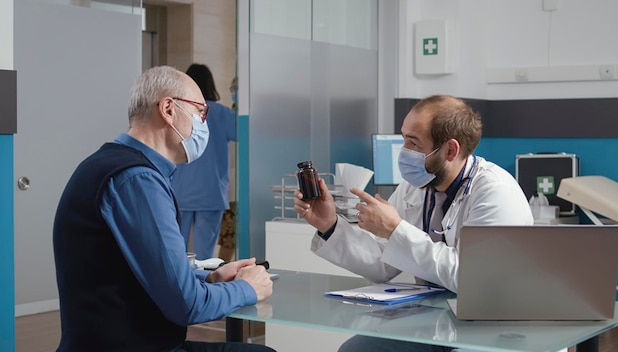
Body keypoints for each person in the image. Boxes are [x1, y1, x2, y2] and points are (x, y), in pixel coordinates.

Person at [53, 65, 274, 352]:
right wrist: (249, 288)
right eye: (200, 113)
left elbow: (143, 272)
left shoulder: (108, 164)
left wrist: (210, 277)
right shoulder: (137, 180)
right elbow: (187, 304)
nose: (203, 124)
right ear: (168, 109)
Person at [293, 94, 533, 352]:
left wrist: (396, 229)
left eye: (414, 143)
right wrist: (329, 224)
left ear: (450, 150)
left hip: (492, 326)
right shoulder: (415, 186)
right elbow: (383, 263)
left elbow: (473, 279)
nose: (404, 151)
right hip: (436, 320)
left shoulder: (495, 191)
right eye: (403, 138)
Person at [171, 64, 237, 260]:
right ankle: (204, 288)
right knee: (205, 257)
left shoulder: (177, 110)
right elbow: (246, 133)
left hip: (180, 191)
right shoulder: (221, 113)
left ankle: (178, 288)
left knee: (176, 252)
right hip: (211, 192)